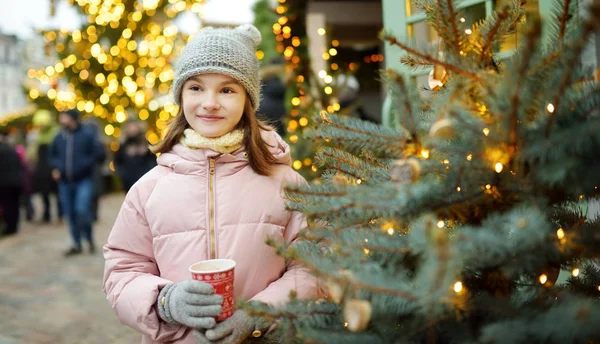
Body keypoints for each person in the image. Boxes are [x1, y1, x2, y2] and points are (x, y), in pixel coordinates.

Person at [103, 25, 320, 344]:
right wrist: (165, 302)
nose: (209, 103)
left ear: (247, 98)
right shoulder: (149, 189)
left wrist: (260, 314)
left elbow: (315, 266)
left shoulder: (287, 184)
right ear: (181, 95)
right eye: (196, 88)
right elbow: (122, 271)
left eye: (227, 90)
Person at [49, 109, 103, 256]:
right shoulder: (59, 137)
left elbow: (97, 153)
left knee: (82, 210)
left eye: (64, 118)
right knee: (70, 213)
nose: (62, 121)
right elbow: (52, 155)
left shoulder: (86, 135)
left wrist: (84, 165)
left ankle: (89, 238)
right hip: (65, 182)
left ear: (72, 119)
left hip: (83, 180)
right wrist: (55, 168)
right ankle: (76, 243)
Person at [114, 121, 156, 193]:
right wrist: (124, 176)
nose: (132, 129)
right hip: (129, 181)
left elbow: (154, 160)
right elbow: (117, 162)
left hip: (144, 180)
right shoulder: (123, 145)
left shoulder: (144, 143)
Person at [0, 129, 24, 237]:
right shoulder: (12, 150)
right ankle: (14, 226)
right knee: (14, 205)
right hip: (16, 182)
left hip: (4, 183)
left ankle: (9, 228)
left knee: (7, 205)